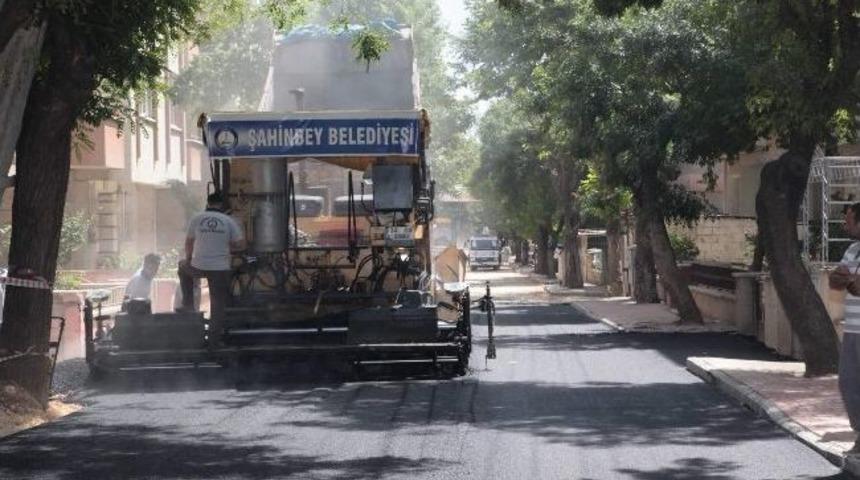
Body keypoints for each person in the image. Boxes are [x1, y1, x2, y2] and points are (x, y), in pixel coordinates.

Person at [178, 192, 245, 346]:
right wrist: (227, 245)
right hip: (220, 269)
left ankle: (188, 305)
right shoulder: (229, 221)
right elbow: (241, 245)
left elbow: (189, 242)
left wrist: (189, 260)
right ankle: (214, 342)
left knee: (182, 269)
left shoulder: (196, 218)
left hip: (198, 266)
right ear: (222, 205)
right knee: (218, 305)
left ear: (208, 203)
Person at [829, 202, 860, 454]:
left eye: (850, 219)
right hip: (852, 330)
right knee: (848, 382)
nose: (845, 224)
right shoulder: (853, 249)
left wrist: (848, 278)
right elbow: (834, 281)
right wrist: (850, 279)